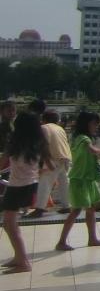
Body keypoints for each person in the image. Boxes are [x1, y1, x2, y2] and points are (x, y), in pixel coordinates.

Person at [55, 111, 100, 251]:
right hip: (80, 179)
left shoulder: (81, 138)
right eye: (94, 123)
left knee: (91, 209)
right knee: (76, 210)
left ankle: (92, 238)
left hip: (87, 179)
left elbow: (94, 155)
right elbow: (92, 150)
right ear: (86, 124)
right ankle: (62, 241)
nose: (96, 126)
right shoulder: (83, 138)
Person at [2, 111, 52, 273]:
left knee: (10, 224)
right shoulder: (38, 143)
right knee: (10, 224)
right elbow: (48, 164)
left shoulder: (15, 143)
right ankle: (19, 257)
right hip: (30, 185)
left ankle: (23, 261)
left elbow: (2, 162)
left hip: (17, 187)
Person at [31, 107, 72, 217]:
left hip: (53, 158)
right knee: (64, 183)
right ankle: (67, 206)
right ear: (57, 120)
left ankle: (39, 208)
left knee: (45, 183)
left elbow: (43, 145)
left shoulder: (43, 128)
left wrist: (45, 160)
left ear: (43, 120)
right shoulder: (60, 129)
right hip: (65, 157)